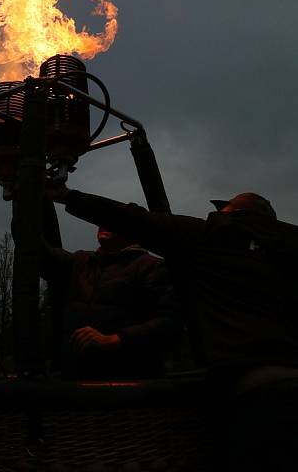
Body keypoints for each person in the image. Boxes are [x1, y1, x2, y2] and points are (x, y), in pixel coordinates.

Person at [49, 186, 298, 470]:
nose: (218, 213)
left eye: (224, 209)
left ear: (237, 213)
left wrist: (65, 195)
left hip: (251, 393)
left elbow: (136, 220)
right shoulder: (291, 249)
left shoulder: (211, 236)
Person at [41, 208, 182, 380]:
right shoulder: (80, 262)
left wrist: (115, 340)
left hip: (131, 384)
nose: (102, 225)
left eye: (113, 221)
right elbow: (37, 252)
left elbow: (171, 323)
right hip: (73, 382)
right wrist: (26, 201)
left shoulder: (152, 267)